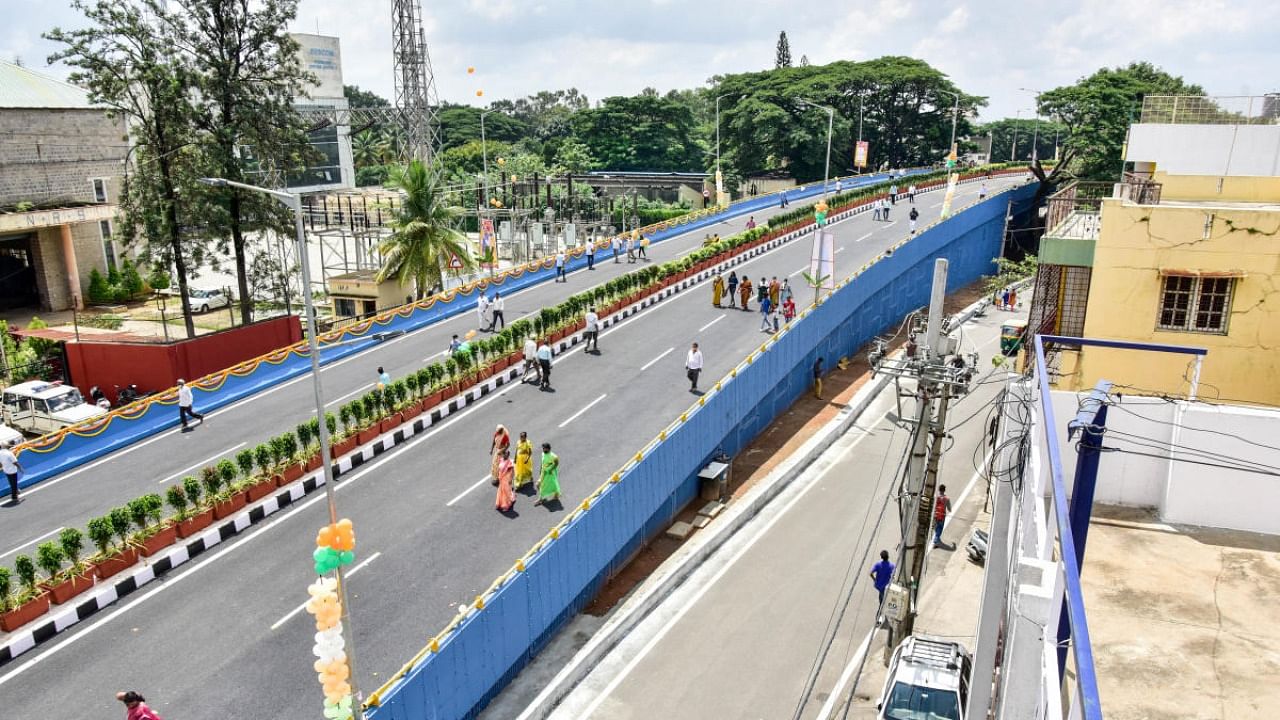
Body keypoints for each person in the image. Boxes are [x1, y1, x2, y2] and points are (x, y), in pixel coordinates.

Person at [495, 448, 515, 512]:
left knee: (506, 492)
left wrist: (510, 480)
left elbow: (512, 472)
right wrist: (498, 476)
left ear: (508, 455)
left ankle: (506, 505)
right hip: (501, 478)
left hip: (506, 479)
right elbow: (499, 469)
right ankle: (499, 503)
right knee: (500, 491)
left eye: (505, 454)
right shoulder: (501, 460)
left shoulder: (510, 462)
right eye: (503, 453)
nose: (504, 455)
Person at [1, 439, 21, 505]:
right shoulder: (9, 453)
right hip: (12, 470)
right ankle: (14, 496)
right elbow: (15, 462)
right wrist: (21, 468)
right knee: (14, 483)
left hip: (6, 470)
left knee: (11, 482)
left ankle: (17, 491)